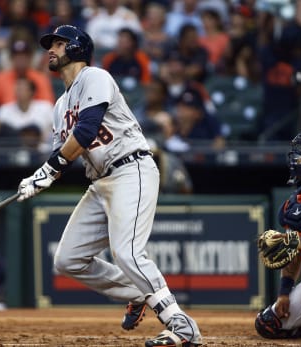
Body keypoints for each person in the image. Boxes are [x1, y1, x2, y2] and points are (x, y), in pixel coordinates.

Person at [16, 25, 202, 347]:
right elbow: (64, 153)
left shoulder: (95, 77)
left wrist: (51, 167)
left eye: (59, 44)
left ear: (75, 48)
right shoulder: (60, 107)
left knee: (127, 252)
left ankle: (182, 325)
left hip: (132, 169)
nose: (51, 49)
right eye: (51, 45)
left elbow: (86, 131)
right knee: (68, 259)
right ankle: (136, 292)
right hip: (100, 181)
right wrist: (39, 177)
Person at [255, 132, 301, 339]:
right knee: (268, 323)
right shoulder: (294, 204)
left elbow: (297, 244)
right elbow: (292, 255)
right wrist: (285, 292)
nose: (298, 159)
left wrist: (298, 242)